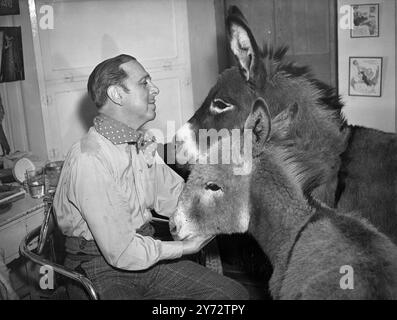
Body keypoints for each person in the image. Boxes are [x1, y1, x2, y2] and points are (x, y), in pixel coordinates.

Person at [53, 54, 248, 300]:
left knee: (232, 295)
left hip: (145, 253)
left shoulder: (137, 144)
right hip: (99, 267)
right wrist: (185, 247)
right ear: (117, 94)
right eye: (144, 83)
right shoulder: (89, 159)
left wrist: (228, 198)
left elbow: (177, 197)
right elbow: (121, 251)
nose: (155, 89)